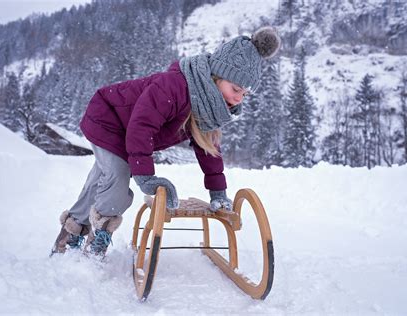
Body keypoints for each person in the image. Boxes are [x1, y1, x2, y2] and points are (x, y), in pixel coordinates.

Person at [51, 26, 281, 257]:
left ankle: (68, 236)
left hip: (127, 130)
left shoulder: (208, 106)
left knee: (102, 179)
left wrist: (218, 192)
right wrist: (146, 177)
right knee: (117, 179)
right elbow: (142, 126)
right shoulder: (175, 86)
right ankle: (94, 249)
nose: (239, 98)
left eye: (244, 94)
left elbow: (208, 148)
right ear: (217, 76)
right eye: (236, 89)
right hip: (107, 119)